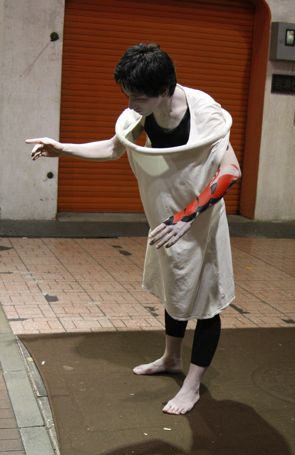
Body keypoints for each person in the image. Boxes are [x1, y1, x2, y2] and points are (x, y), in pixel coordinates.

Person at [26, 43, 241, 415]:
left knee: (205, 302)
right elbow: (114, 148)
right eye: (127, 95)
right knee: (174, 286)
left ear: (165, 89)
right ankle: (171, 358)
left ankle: (192, 385)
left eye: (138, 98)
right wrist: (62, 149)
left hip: (199, 221)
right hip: (165, 217)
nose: (130, 104)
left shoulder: (205, 113)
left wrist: (186, 216)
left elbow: (231, 170)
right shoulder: (142, 111)